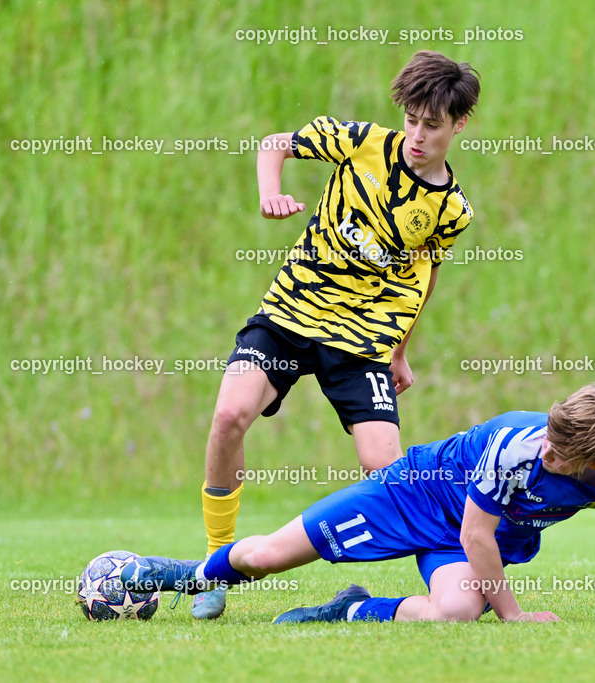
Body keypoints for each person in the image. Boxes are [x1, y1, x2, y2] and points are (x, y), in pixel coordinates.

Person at [195, 50, 480, 619]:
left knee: (390, 474)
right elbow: (274, 143)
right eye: (412, 120)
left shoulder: (450, 209)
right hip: (289, 315)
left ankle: (448, 587)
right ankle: (214, 565)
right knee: (229, 417)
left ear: (459, 125)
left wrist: (400, 351)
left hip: (362, 341)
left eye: (433, 125)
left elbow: (423, 277)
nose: (418, 135)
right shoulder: (360, 141)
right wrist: (268, 193)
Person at [123, 384, 595, 624]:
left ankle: (347, 611)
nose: (546, 452)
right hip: (412, 494)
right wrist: (515, 616)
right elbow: (478, 535)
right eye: (549, 437)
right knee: (269, 555)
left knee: (454, 613)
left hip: (472, 529)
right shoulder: (513, 449)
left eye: (561, 454)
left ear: (592, 460)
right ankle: (189, 576)